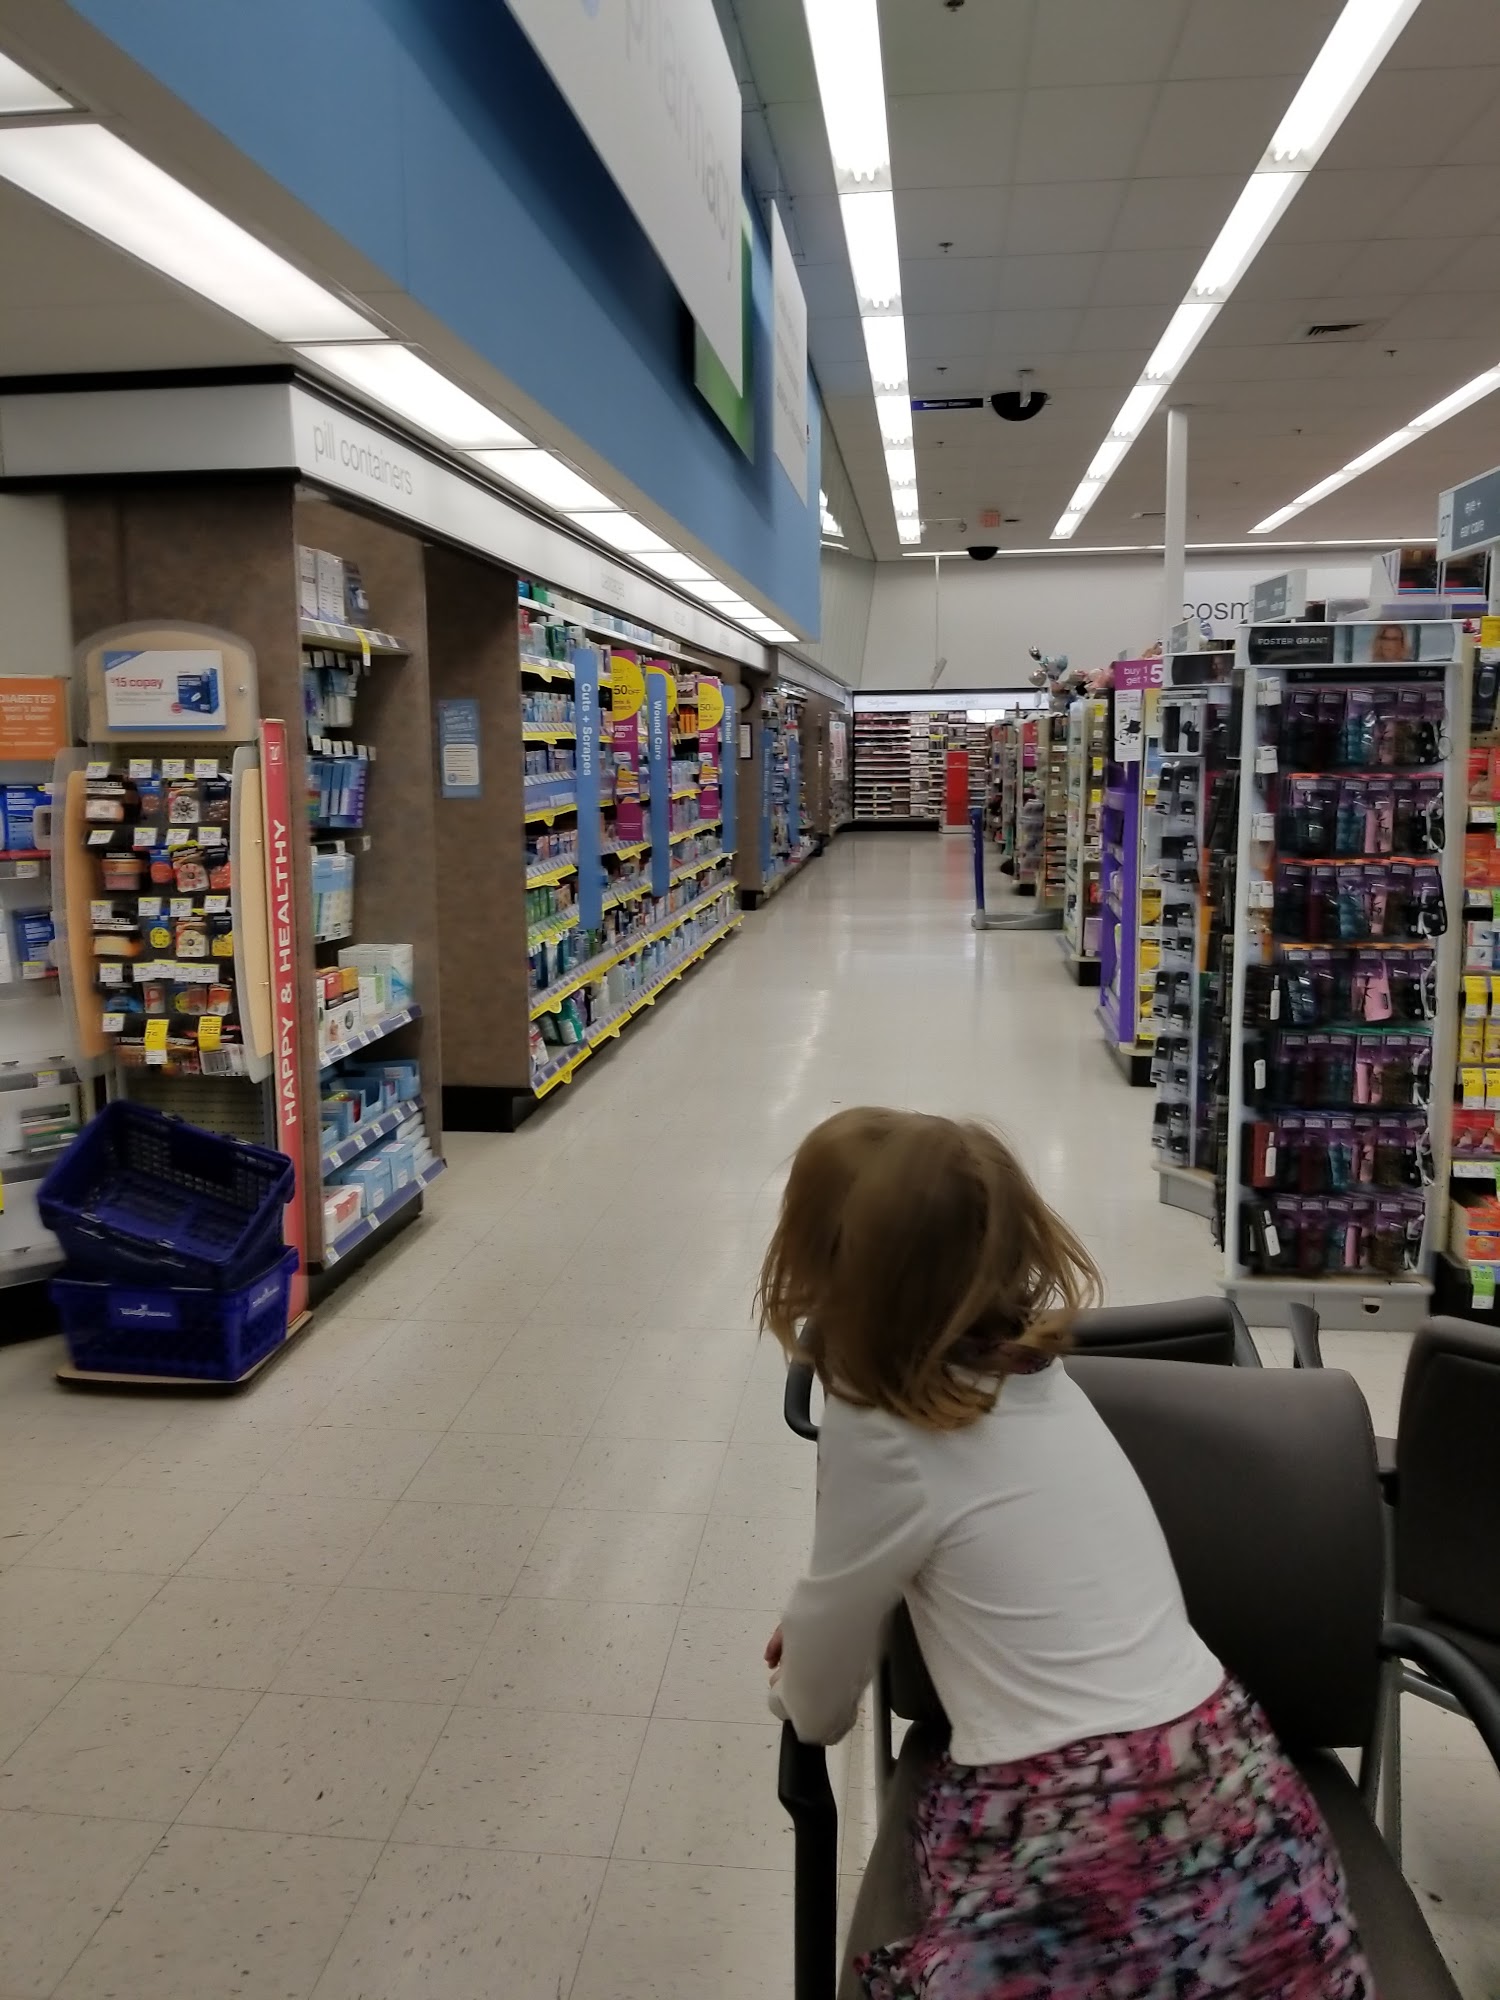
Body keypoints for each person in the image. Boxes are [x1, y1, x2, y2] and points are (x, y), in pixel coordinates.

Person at [758, 1107, 1373, 2000]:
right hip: (1231, 1778)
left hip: (1072, 1821)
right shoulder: (1042, 1380)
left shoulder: (877, 1419)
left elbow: (819, 1704)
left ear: (823, 1266)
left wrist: (799, 1668)